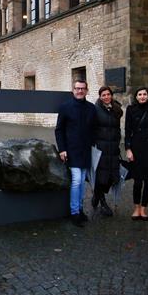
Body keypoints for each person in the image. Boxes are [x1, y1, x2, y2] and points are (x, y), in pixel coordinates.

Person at [55, 80, 97, 227]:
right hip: (71, 150)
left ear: (86, 90)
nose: (79, 91)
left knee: (82, 184)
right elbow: (59, 130)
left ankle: (80, 209)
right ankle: (74, 213)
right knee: (77, 180)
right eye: (77, 88)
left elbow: (94, 129)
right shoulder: (65, 107)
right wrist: (62, 149)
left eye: (82, 89)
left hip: (86, 150)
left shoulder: (91, 108)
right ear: (73, 90)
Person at [125, 86, 148, 221]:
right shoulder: (131, 109)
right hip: (136, 148)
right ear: (136, 96)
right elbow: (127, 130)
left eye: (145, 94)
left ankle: (144, 209)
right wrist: (128, 148)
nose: (142, 96)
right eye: (140, 94)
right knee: (138, 181)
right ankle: (136, 208)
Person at [91, 86, 123, 217]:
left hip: (113, 147)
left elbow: (117, 128)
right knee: (101, 176)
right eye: (103, 95)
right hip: (101, 147)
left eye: (108, 94)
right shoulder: (95, 109)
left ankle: (96, 196)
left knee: (111, 177)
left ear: (111, 95)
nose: (106, 97)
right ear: (100, 96)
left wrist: (118, 140)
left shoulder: (116, 109)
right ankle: (103, 202)